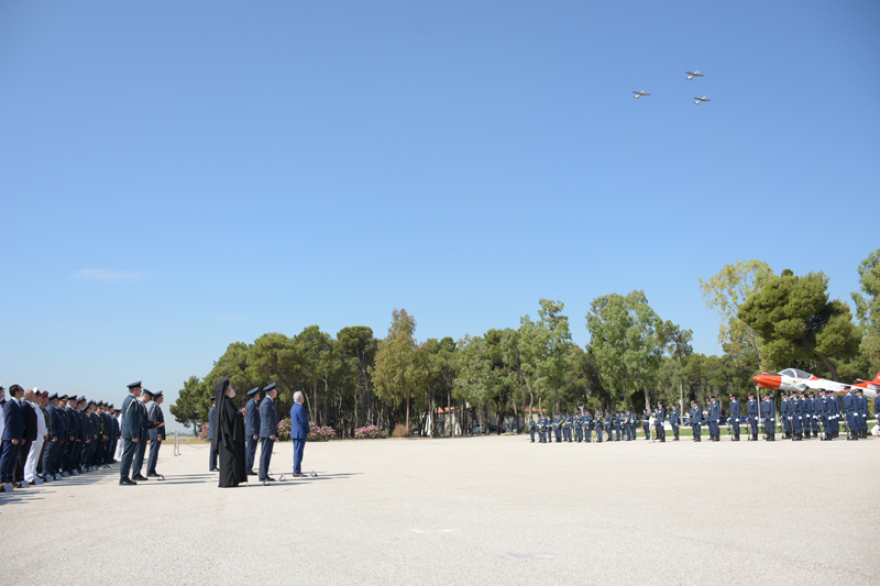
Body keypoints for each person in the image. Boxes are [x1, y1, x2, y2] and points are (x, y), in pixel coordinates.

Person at [212, 377, 246, 488]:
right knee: (230, 461)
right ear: (226, 389)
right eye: (230, 386)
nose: (232, 388)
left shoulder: (223, 402)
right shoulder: (226, 402)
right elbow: (232, 418)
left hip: (225, 438)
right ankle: (230, 481)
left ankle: (229, 480)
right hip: (229, 439)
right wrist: (241, 413)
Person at [1, 385, 26, 492]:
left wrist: (22, 436)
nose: (23, 392)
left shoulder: (18, 403)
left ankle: (10, 479)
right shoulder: (10, 404)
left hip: (18, 436)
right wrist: (13, 437)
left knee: (13, 459)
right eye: (21, 390)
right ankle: (2, 480)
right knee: (6, 459)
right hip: (11, 437)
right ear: (16, 392)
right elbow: (9, 422)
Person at [120, 381, 146, 485]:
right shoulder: (131, 401)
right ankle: (124, 478)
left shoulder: (131, 400)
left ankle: (125, 477)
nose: (141, 391)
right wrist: (134, 434)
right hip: (130, 434)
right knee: (128, 456)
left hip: (130, 433)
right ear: (134, 389)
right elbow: (131, 419)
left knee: (128, 455)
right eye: (139, 389)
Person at [24, 389, 48, 485]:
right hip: (37, 436)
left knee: (35, 457)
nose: (42, 399)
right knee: (32, 457)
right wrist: (45, 432)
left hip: (39, 436)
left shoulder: (38, 408)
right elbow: (38, 424)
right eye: (39, 397)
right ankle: (29, 476)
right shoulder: (34, 408)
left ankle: (32, 473)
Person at [259, 383, 278, 482]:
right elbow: (267, 419)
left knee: (266, 454)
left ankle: (264, 474)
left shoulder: (268, 401)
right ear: (273, 392)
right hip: (267, 433)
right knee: (266, 454)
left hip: (266, 432)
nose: (277, 392)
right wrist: (271, 431)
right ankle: (263, 475)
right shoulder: (267, 402)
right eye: (276, 391)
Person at [290, 390, 310, 477]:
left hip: (295, 432)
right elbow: (304, 421)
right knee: (299, 452)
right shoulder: (300, 408)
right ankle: (297, 470)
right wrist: (308, 430)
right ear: (301, 398)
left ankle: (296, 469)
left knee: (296, 452)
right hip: (300, 433)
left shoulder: (293, 407)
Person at [146, 391, 166, 477]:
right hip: (155, 434)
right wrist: (158, 434)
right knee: (153, 453)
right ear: (157, 398)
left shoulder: (157, 407)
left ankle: (152, 470)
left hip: (156, 433)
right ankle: (150, 471)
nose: (163, 398)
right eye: (161, 397)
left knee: (155, 453)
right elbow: (154, 422)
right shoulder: (154, 407)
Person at [245, 387, 261, 475]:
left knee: (251, 450)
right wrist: (254, 432)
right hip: (252, 432)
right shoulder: (252, 404)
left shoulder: (253, 403)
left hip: (251, 432)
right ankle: (248, 468)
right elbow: (251, 419)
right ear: (255, 395)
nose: (259, 395)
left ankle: (248, 467)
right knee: (250, 451)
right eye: (258, 394)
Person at [208, 396, 218, 471]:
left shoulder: (215, 410)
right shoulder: (213, 411)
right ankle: (212, 466)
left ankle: (214, 465)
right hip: (214, 433)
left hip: (215, 433)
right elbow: (213, 423)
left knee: (215, 450)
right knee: (213, 451)